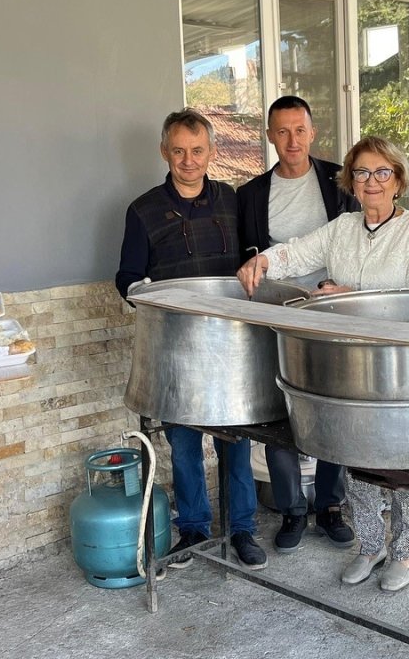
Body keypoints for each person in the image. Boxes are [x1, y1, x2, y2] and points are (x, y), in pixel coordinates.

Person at [238, 136, 409, 592]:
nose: (372, 182)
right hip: (351, 363)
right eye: (362, 172)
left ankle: (404, 552)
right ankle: (369, 546)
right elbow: (298, 251)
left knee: (406, 462)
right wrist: (263, 260)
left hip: (401, 364)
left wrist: (346, 296)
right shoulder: (342, 227)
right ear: (351, 179)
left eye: (382, 172)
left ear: (398, 179)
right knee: (355, 456)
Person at [115, 108, 266, 571]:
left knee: (235, 442)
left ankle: (242, 530)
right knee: (183, 444)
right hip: (175, 349)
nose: (188, 160)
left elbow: (251, 260)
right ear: (165, 151)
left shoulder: (232, 201)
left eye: (197, 150)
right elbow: (126, 277)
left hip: (230, 346)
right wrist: (145, 295)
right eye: (178, 150)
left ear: (211, 152)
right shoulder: (142, 210)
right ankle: (195, 527)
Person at [235, 96, 359, 555]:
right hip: (276, 314)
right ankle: (291, 509)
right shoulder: (249, 195)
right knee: (279, 408)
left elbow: (354, 240)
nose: (291, 140)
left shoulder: (339, 181)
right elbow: (244, 257)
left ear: (313, 132)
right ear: (269, 135)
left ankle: (329, 505)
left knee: (331, 405)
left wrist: (339, 284)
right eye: (281, 131)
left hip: (329, 311)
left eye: (299, 130)